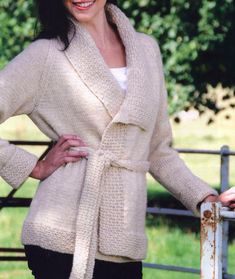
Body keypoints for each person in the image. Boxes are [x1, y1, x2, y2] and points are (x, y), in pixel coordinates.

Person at [0, 0, 235, 278]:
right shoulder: (45, 54)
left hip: (124, 237)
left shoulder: (146, 51)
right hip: (60, 236)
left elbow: (158, 150)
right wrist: (33, 167)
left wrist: (205, 197)